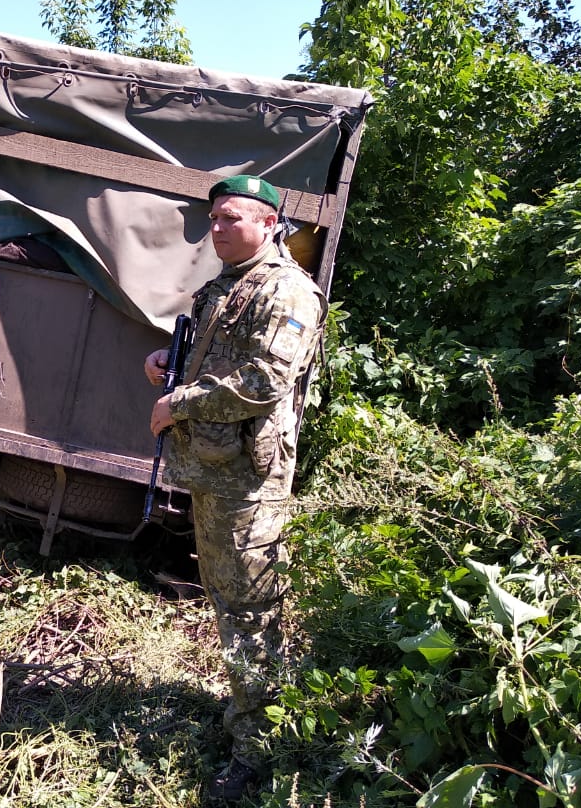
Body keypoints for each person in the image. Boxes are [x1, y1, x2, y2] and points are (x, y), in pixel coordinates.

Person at [144, 175, 326, 802]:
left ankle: (258, 749)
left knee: (251, 610)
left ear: (270, 223)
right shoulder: (220, 288)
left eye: (233, 219)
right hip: (214, 471)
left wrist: (179, 404)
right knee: (229, 598)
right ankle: (247, 715)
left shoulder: (285, 290)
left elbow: (266, 378)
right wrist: (168, 365)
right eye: (215, 218)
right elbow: (211, 359)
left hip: (249, 479)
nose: (218, 229)